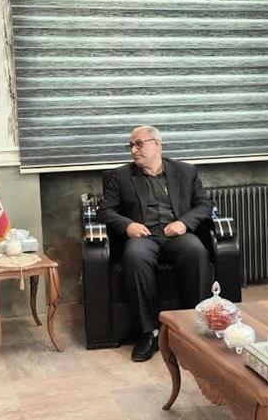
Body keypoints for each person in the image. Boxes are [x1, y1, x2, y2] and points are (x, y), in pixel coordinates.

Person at [97, 125, 213, 362]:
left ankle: (193, 326)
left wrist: (184, 223)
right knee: (135, 256)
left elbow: (204, 205)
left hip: (176, 233)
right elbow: (105, 211)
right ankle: (148, 333)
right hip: (144, 235)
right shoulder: (121, 176)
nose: (133, 150)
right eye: (131, 145)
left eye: (139, 144)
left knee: (196, 251)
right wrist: (128, 225)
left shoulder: (185, 171)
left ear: (157, 144)